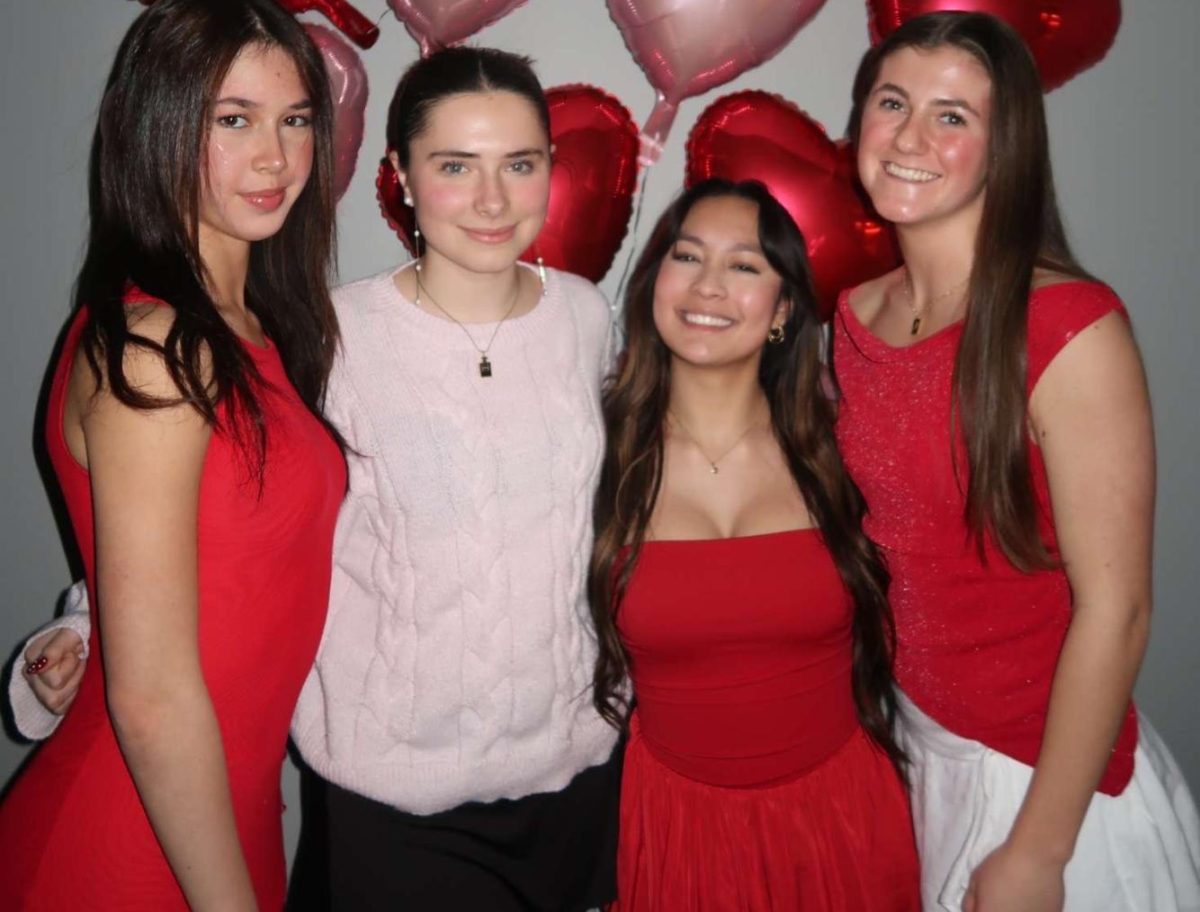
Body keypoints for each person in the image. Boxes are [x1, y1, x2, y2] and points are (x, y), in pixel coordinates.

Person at [10, 46, 621, 911]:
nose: (492, 200)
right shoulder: (328, 335)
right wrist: (84, 619)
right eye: (455, 166)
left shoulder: (587, 318)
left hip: (568, 776)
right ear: (401, 177)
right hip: (393, 796)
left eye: (519, 165)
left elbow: (261, 505)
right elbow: (238, 513)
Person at [834, 11, 1200, 912]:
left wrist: (1039, 853)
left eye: (953, 116)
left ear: (1007, 148)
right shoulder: (852, 317)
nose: (911, 137)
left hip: (1046, 786)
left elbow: (1119, 609)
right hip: (921, 753)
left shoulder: (1070, 325)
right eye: (893, 102)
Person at [0, 1, 346, 909]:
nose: (276, 158)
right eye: (233, 120)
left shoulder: (256, 331)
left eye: (296, 118)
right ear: (160, 126)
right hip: (124, 844)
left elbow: (221, 570)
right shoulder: (156, 346)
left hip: (226, 822)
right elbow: (153, 699)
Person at [589, 178, 920, 911]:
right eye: (688, 255)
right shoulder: (592, 456)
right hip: (677, 833)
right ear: (654, 281)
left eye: (744, 266)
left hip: (845, 823)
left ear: (784, 309)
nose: (709, 285)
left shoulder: (844, 455)